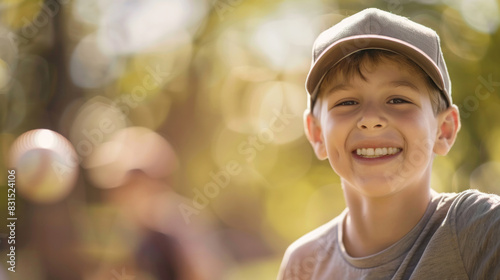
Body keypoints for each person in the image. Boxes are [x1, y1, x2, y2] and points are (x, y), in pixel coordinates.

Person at [277, 8, 500, 279]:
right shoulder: (303, 264)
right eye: (346, 102)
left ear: (444, 130)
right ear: (317, 134)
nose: (370, 119)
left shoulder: (482, 230)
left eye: (398, 99)